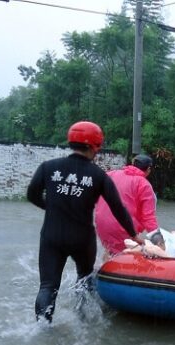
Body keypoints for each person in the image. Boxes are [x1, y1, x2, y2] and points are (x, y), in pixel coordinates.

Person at [26, 120, 141, 323]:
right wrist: (134, 235)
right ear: (95, 146)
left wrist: (51, 208)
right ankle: (83, 321)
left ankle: (42, 329)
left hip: (52, 236)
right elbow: (118, 208)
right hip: (82, 239)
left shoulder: (48, 167)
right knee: (84, 280)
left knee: (48, 286)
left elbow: (32, 195)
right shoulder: (98, 176)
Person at [95, 154, 162, 255]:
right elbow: (148, 218)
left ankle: (104, 266)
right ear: (148, 169)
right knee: (128, 254)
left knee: (111, 251)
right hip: (123, 228)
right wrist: (158, 241)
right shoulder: (144, 184)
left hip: (101, 225)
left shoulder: (110, 174)